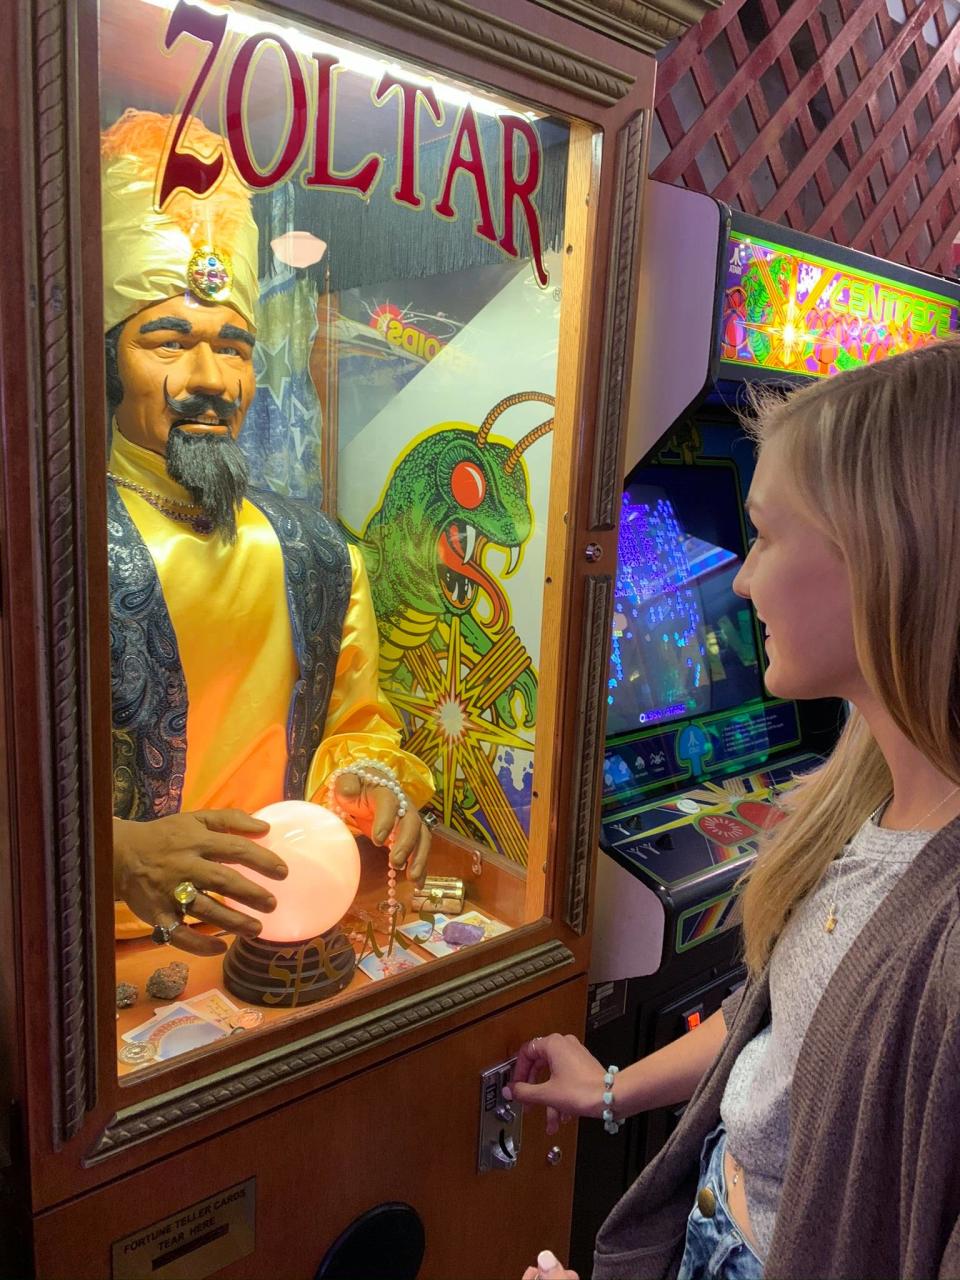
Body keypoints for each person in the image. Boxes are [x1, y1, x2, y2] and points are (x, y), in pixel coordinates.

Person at [510, 339, 960, 1279]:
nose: (740, 580)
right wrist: (615, 1089)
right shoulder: (866, 777)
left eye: (763, 534)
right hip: (720, 1222)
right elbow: (783, 1019)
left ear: (884, 558)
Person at [102, 109, 434, 954]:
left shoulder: (317, 551)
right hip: (95, 966)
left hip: (285, 933)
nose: (211, 380)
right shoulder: (49, 551)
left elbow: (356, 727)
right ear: (107, 359)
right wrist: (115, 853)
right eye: (168, 341)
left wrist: (367, 783)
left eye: (236, 347)